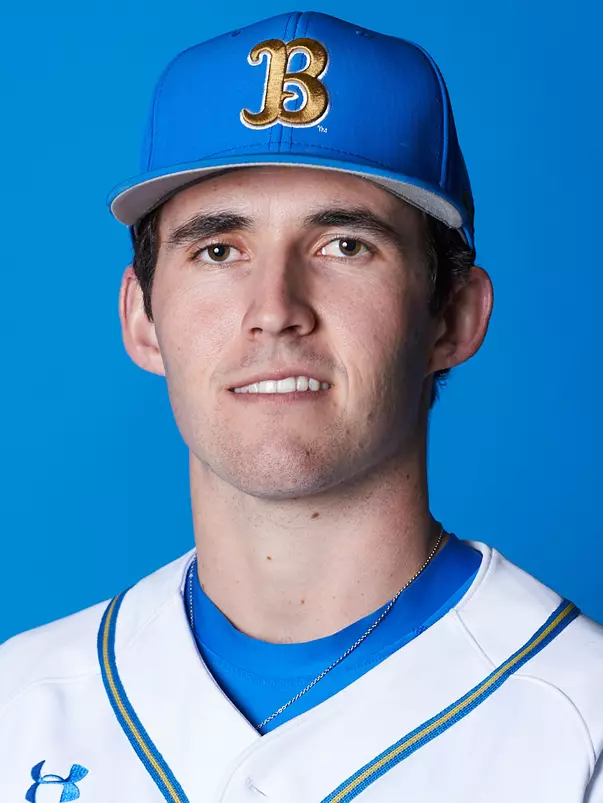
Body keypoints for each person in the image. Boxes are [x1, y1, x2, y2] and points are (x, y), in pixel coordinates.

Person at [1, 10, 602, 802]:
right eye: (219, 250)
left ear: (451, 318)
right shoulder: (19, 709)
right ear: (141, 319)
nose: (275, 307)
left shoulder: (580, 724)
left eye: (343, 245)